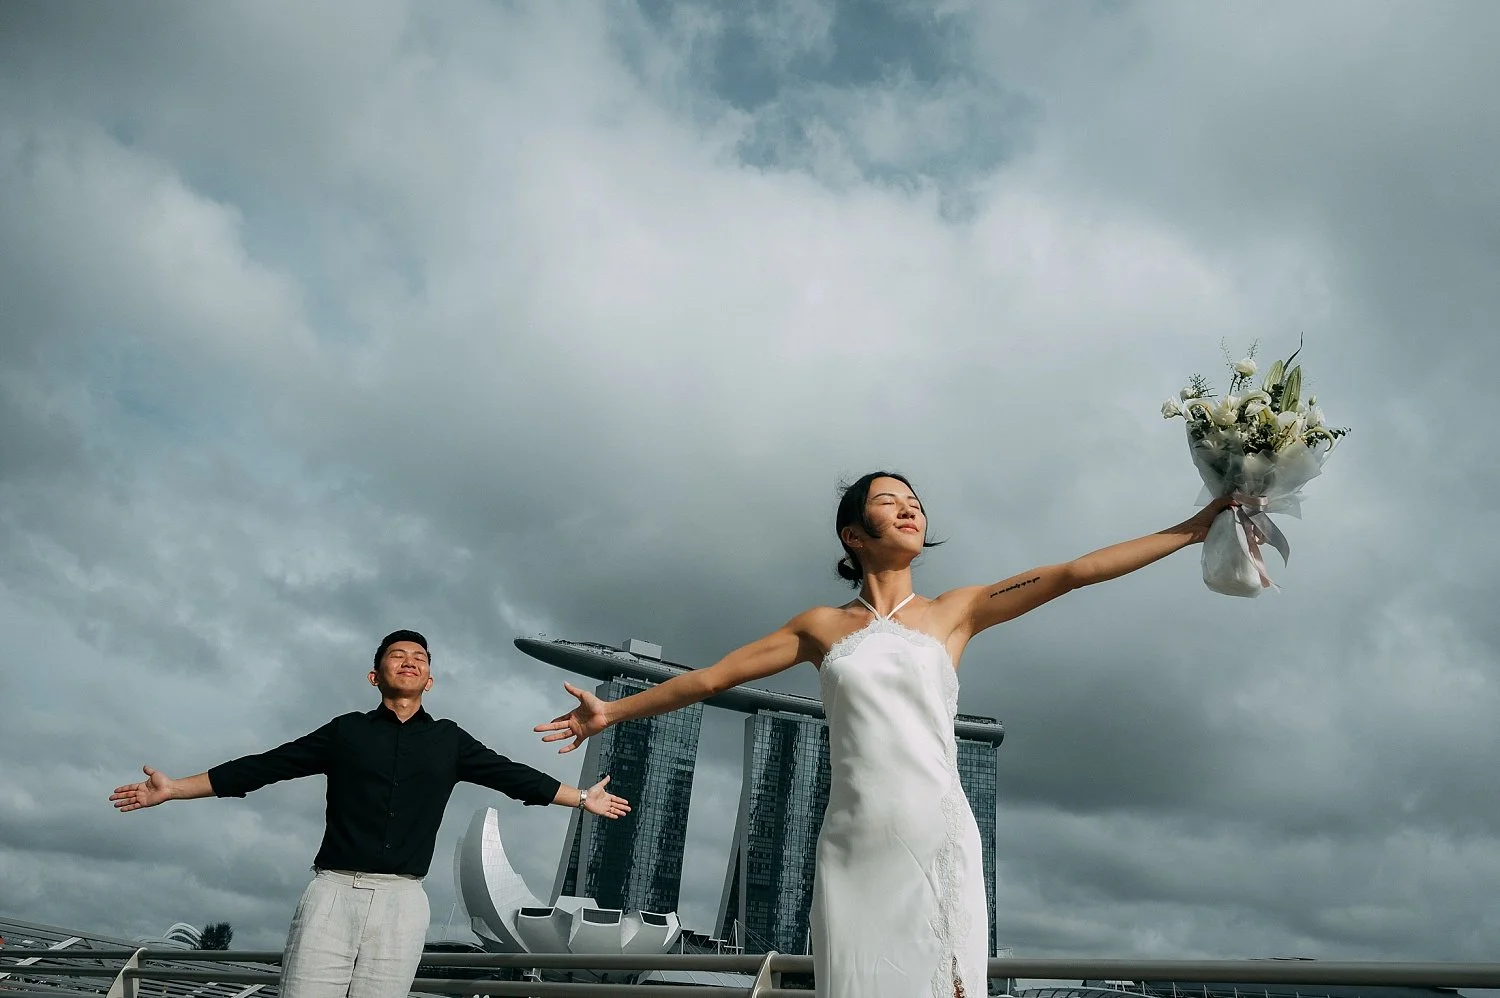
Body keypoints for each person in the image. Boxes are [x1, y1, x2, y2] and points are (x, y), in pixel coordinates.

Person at [536, 473, 1234, 998]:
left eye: (916, 503)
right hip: (854, 848)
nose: (910, 508)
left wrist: (1195, 526)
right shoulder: (820, 627)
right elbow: (711, 679)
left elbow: (1074, 572)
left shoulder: (956, 612)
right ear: (852, 533)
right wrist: (611, 714)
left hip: (937, 838)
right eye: (890, 499)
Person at [112, 629, 629, 998]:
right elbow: (262, 767)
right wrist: (173, 788)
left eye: (420, 658)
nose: (410, 661)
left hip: (404, 902)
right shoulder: (345, 732)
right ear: (373, 674)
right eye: (397, 655)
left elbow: (515, 777)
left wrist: (582, 798)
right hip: (333, 892)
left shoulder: (448, 740)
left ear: (430, 680)